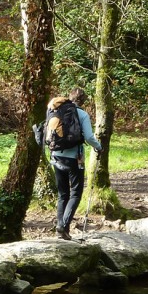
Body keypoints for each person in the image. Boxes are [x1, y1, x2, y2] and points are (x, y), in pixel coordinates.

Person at [47, 87, 103, 240]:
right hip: (74, 159)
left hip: (56, 156)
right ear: (83, 101)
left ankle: (61, 229)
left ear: (69, 97)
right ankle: (63, 226)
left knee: (62, 194)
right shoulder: (82, 114)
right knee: (76, 193)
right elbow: (90, 137)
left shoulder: (55, 111)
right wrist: (99, 147)